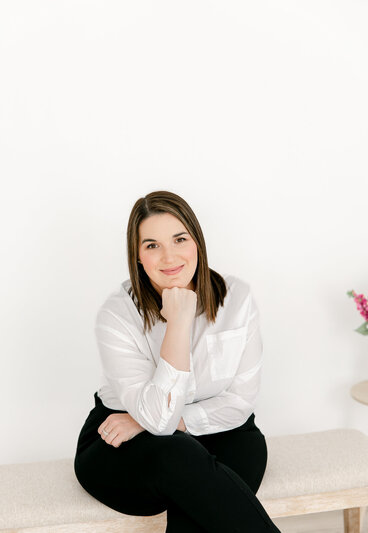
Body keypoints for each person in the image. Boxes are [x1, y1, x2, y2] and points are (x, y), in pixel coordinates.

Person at [74, 190, 281, 533]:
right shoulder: (117, 315)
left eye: (179, 239)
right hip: (123, 441)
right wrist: (179, 323)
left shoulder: (237, 298)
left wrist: (155, 421)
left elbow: (240, 401)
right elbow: (158, 423)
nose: (168, 256)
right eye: (152, 245)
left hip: (216, 427)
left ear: (197, 242)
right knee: (178, 456)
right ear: (138, 257)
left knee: (236, 457)